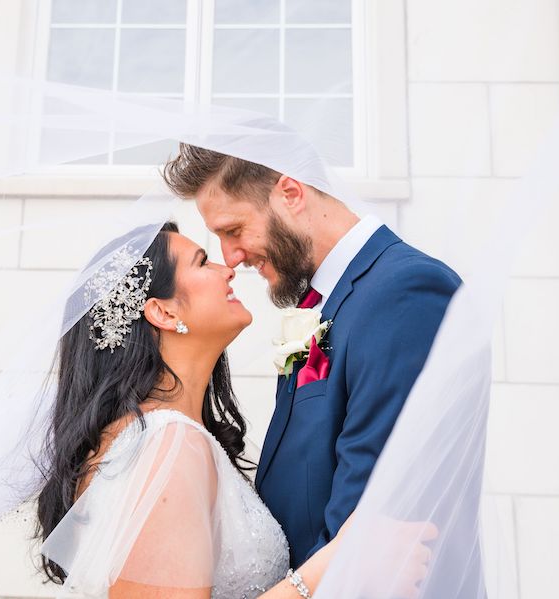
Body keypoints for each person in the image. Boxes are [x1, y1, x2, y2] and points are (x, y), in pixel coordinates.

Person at [35, 222, 435, 598]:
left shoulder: (157, 438)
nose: (227, 269)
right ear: (164, 312)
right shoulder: (166, 445)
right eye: (202, 262)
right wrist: (329, 569)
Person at [162, 145, 461, 569]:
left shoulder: (403, 292)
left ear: (290, 194)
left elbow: (371, 524)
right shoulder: (324, 303)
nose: (230, 258)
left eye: (234, 230)